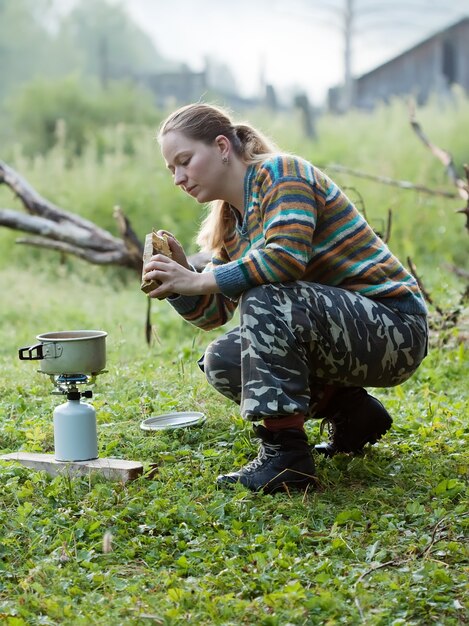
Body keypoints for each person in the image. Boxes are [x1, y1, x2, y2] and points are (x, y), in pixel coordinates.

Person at [143, 102, 428, 494]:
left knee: (265, 296)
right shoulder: (231, 222)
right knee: (224, 360)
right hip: (348, 335)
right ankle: (352, 412)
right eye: (171, 169)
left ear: (223, 146)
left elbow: (283, 261)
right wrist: (178, 282)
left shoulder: (282, 174)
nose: (178, 177)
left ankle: (286, 458)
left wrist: (196, 281)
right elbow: (214, 313)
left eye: (185, 161)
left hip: (396, 328)